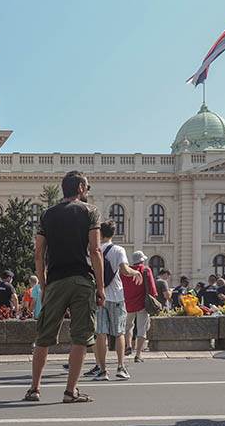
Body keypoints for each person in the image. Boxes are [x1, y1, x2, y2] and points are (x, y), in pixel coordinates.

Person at [26, 171, 104, 404]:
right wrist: (101, 287)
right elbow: (95, 250)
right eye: (87, 187)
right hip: (81, 280)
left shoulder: (47, 215)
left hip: (56, 281)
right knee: (80, 337)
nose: (88, 191)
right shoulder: (90, 212)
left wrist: (43, 283)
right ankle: (70, 392)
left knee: (43, 337)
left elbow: (38, 253)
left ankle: (34, 389)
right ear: (80, 187)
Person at [90, 220, 142, 381]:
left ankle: (103, 370)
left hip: (99, 296)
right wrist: (135, 273)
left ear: (101, 233)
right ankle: (120, 367)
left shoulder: (94, 249)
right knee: (119, 332)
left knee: (100, 334)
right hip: (117, 296)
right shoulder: (118, 250)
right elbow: (124, 270)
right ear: (113, 233)